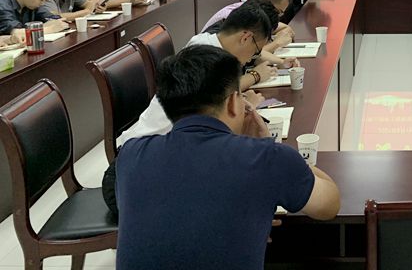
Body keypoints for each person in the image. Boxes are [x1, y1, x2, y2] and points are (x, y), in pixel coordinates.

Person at [115, 44, 341, 270]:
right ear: (233, 102)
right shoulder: (267, 158)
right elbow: (329, 204)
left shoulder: (130, 155)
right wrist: (270, 146)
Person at [116, 2, 278, 147]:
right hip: (149, 147)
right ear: (246, 38)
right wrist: (244, 107)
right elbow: (218, 124)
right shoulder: (205, 56)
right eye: (256, 51)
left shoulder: (210, 44)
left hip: (167, 141)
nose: (251, 58)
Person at [202, 0, 293, 41]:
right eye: (278, 12)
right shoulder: (239, 16)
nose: (278, 16)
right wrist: (276, 43)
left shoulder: (255, 12)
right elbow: (249, 52)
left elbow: (286, 28)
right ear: (266, 1)